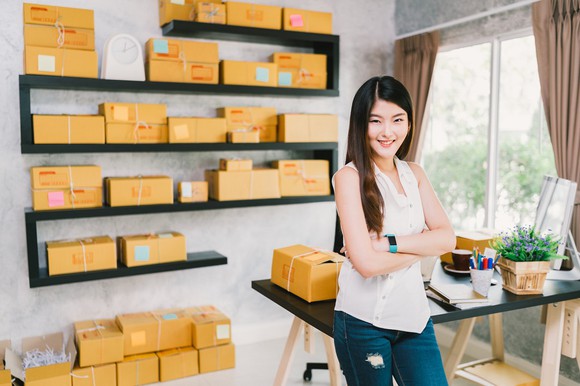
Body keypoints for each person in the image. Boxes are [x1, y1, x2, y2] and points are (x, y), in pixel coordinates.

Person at [332, 75, 455, 386]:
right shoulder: (348, 178)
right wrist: (423, 248)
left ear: (410, 124)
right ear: (361, 125)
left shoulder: (415, 173)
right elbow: (366, 265)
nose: (388, 132)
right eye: (376, 121)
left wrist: (388, 243)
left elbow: (447, 238)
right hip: (362, 324)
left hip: (414, 318)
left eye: (398, 119)